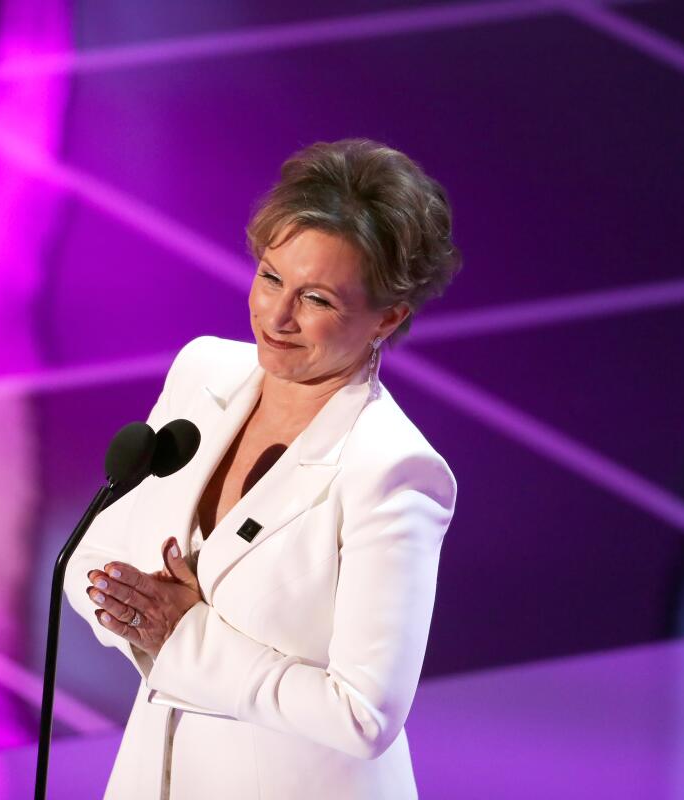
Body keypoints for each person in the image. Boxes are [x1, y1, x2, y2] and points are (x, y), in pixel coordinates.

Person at [64, 138, 462, 799]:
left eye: (318, 299)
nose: (276, 317)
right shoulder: (203, 372)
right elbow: (91, 554)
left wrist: (182, 634)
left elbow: (363, 716)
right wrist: (136, 615)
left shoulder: (393, 470)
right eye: (271, 277)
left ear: (388, 317)